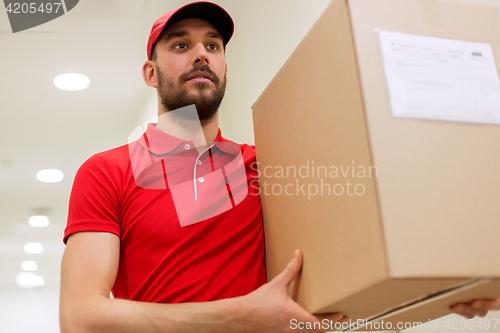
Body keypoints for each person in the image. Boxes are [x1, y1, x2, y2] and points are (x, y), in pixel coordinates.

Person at [59, 2, 499, 332]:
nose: (201, 54)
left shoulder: (265, 165)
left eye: (212, 45)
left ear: (225, 68)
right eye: (180, 45)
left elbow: (355, 250)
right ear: (150, 73)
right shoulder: (107, 171)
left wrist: (452, 282)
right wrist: (239, 315)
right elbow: (80, 317)